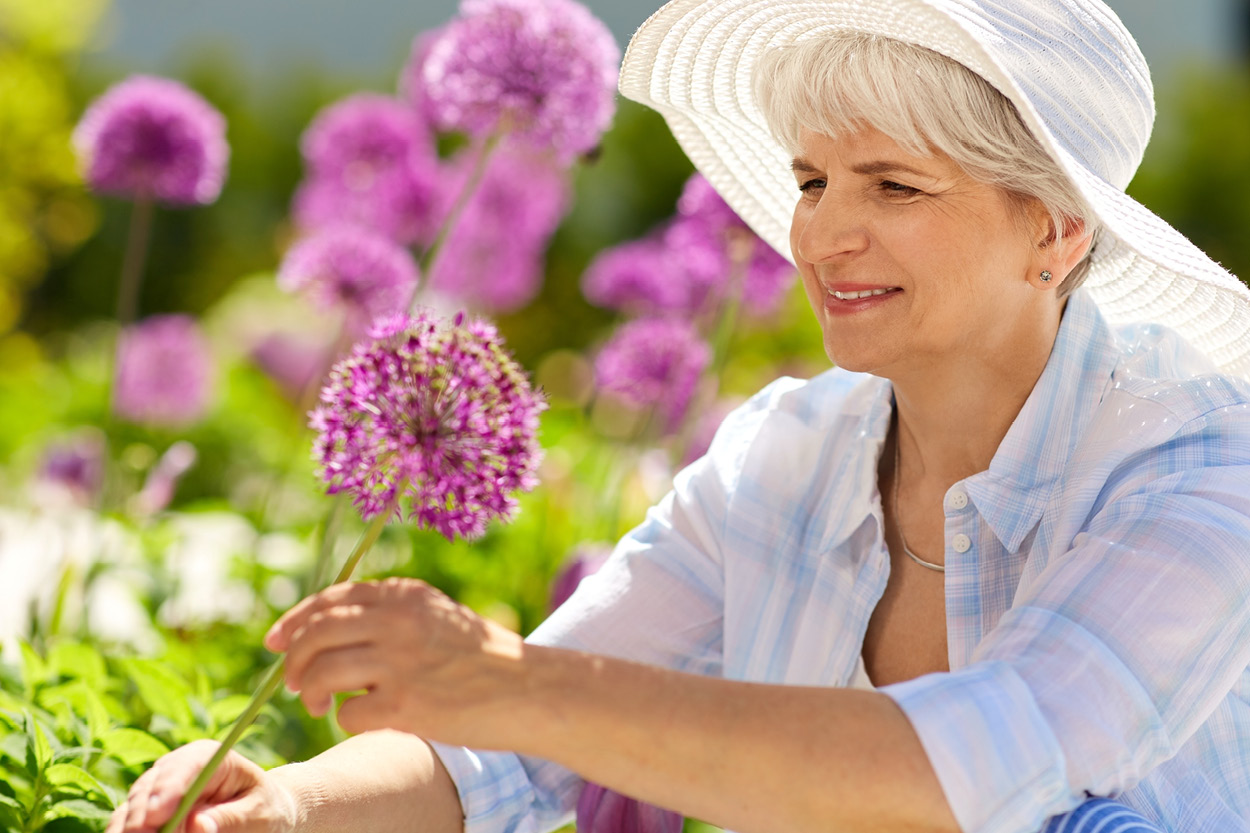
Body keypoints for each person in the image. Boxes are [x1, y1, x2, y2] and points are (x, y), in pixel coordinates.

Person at [108, 0, 1250, 831]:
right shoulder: (783, 456)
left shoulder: (1197, 466)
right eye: (811, 180)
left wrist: (503, 679)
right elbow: (491, 763)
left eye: (892, 185)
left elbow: (957, 772)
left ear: (1052, 230)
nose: (820, 235)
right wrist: (281, 806)